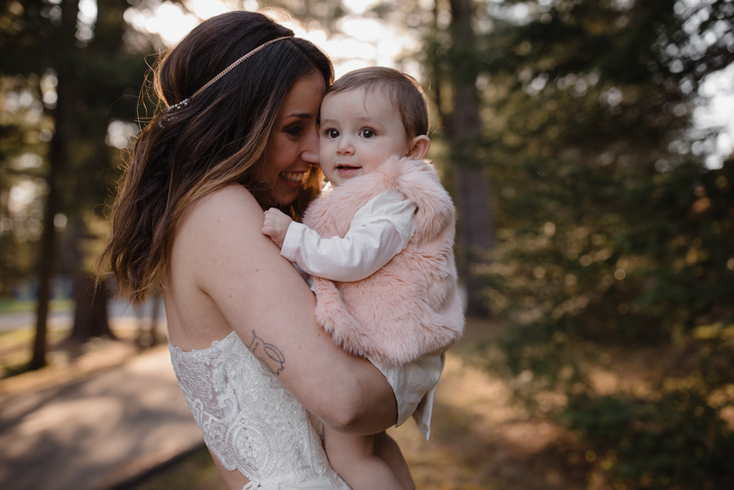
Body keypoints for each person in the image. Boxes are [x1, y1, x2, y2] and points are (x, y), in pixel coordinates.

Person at [99, 11, 443, 490]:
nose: (315, 153)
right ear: (234, 125)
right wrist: (420, 369)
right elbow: (344, 401)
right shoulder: (221, 211)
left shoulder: (230, 214)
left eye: (319, 130)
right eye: (293, 129)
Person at [262, 67, 464, 490]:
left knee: (347, 457)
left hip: (393, 353)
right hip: (388, 353)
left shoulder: (392, 199)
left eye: (367, 134)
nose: (346, 147)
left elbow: (355, 259)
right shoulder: (362, 196)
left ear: (413, 150)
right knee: (369, 450)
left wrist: (292, 237)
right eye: (332, 133)